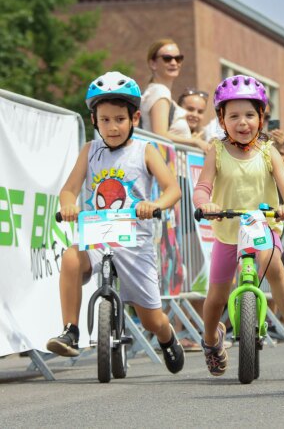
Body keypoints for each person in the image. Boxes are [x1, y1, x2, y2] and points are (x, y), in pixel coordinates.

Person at [46, 72, 185, 373]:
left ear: (134, 117)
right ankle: (71, 330)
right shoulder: (90, 151)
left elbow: (172, 189)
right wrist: (69, 206)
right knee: (71, 257)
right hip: (97, 235)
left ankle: (166, 335)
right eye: (105, 120)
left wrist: (155, 204)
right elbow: (69, 190)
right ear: (94, 120)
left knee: (150, 317)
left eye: (119, 119)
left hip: (134, 241)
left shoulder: (144, 150)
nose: (112, 127)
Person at [193, 75, 284, 376]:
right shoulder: (217, 150)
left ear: (261, 117)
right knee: (216, 298)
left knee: (274, 264)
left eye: (249, 114)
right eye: (233, 115)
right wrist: (204, 204)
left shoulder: (268, 151)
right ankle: (211, 340)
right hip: (228, 231)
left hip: (263, 226)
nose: (242, 122)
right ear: (222, 120)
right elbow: (202, 187)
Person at [140, 39, 208, 151]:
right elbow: (160, 134)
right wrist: (195, 142)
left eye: (178, 58)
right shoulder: (160, 91)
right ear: (153, 63)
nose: (174, 63)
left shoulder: (157, 91)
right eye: (167, 58)